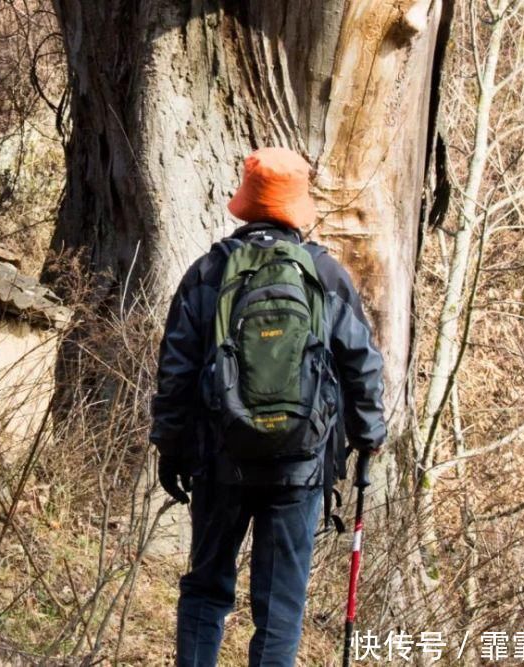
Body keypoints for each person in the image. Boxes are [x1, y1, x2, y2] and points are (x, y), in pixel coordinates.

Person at [149, 147, 387, 666]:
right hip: (299, 466)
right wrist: (368, 437)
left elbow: (177, 371)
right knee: (280, 608)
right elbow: (363, 366)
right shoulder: (326, 275)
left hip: (220, 459)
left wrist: (170, 447)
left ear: (246, 203)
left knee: (207, 589)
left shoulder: (209, 272)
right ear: (299, 208)